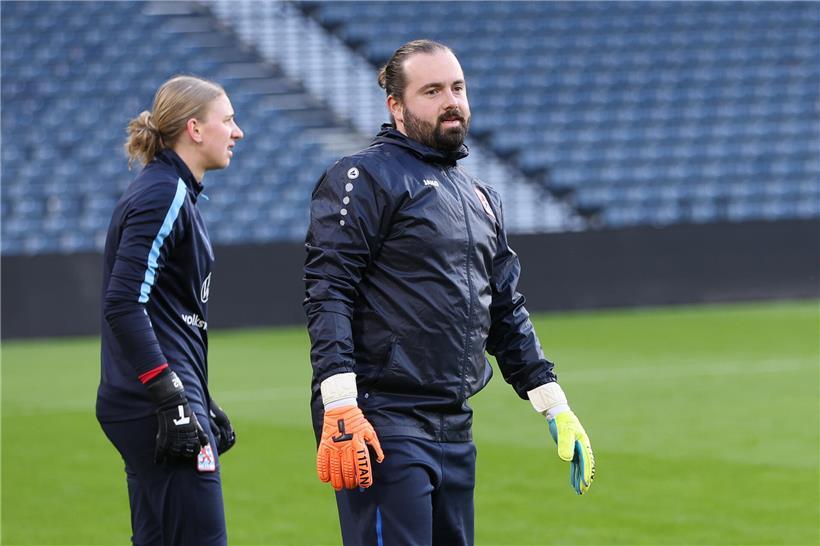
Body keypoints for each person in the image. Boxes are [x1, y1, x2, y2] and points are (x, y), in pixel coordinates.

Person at [304, 40, 595, 546]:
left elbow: (504, 309)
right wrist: (340, 404)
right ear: (396, 105)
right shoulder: (364, 176)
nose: (451, 101)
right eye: (432, 91)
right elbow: (329, 289)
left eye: (457, 88)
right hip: (381, 417)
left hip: (454, 423)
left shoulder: (481, 196)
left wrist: (555, 404)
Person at [97, 75, 243, 546]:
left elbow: (167, 314)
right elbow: (123, 303)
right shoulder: (164, 193)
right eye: (228, 120)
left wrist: (202, 398)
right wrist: (171, 397)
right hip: (155, 406)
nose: (237, 132)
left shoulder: (172, 191)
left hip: (154, 400)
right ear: (194, 129)